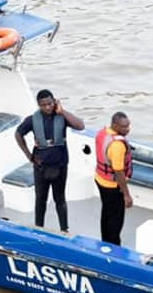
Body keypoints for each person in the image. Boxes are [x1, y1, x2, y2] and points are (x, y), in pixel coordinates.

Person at [15, 89, 85, 233]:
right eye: (43, 105)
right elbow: (18, 134)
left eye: (49, 104)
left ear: (55, 102)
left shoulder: (62, 117)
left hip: (60, 166)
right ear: (38, 105)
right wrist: (28, 155)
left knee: (60, 199)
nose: (47, 107)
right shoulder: (32, 120)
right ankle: (38, 228)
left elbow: (80, 126)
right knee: (40, 199)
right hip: (41, 167)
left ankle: (64, 230)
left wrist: (62, 111)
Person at [94, 111, 133, 245]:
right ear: (115, 125)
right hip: (112, 186)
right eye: (124, 127)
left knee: (106, 212)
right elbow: (119, 172)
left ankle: (105, 240)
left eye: (128, 126)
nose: (127, 129)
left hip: (100, 178)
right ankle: (113, 246)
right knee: (115, 219)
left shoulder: (103, 132)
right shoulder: (117, 146)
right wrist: (126, 195)